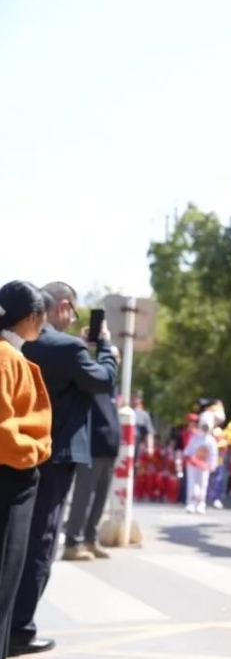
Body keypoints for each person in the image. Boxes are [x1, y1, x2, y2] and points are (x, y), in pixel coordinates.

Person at [12, 282, 117, 657]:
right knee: (40, 544)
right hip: (54, 460)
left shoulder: (20, 344)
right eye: (72, 312)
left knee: (14, 546)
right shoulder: (67, 347)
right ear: (62, 307)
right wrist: (106, 349)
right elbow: (103, 381)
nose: (73, 320)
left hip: (17, 456)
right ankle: (20, 629)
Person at [0, 281, 53, 659]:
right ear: (32, 318)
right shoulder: (7, 358)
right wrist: (34, 451)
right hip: (10, 479)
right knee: (3, 585)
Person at [63, 345, 122, 560]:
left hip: (109, 450)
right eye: (110, 357)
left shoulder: (112, 388)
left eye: (116, 358)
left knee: (100, 499)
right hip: (92, 448)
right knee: (83, 497)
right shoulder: (93, 382)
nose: (114, 361)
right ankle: (73, 542)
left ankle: (90, 539)